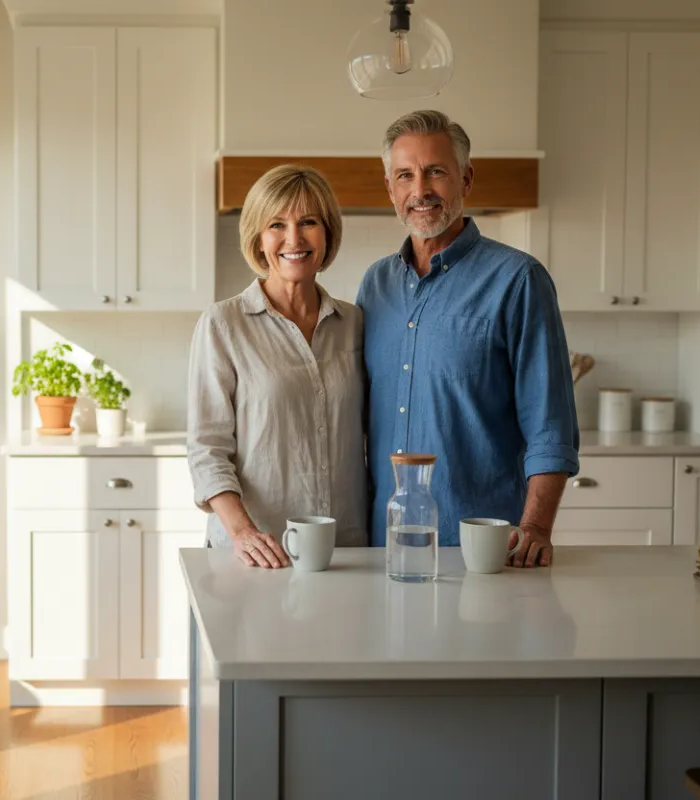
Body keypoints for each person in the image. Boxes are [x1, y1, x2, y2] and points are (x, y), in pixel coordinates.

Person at [356, 110, 579, 569]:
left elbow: (551, 426)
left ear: (466, 178)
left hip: (484, 550)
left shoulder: (519, 280)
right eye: (405, 176)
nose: (420, 191)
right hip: (383, 548)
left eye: (435, 171)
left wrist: (536, 528)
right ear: (390, 188)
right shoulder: (374, 286)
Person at [187, 164, 368, 568]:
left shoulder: (355, 324)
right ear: (258, 236)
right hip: (258, 553)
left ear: (327, 233)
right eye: (276, 224)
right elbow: (207, 450)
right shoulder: (222, 324)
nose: (294, 239)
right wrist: (243, 532)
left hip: (346, 551)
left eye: (309, 222)